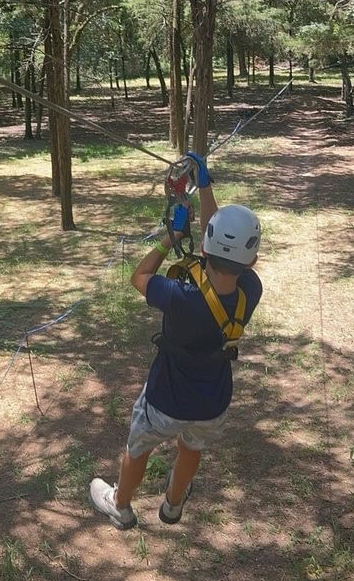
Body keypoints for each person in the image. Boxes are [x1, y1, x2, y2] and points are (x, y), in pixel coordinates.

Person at [89, 152, 263, 529]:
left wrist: (171, 238)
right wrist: (205, 187)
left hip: (165, 397)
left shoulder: (179, 295)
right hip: (212, 401)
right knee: (191, 447)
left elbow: (139, 277)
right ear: (250, 261)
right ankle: (173, 504)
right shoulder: (250, 290)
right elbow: (217, 246)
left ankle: (120, 505)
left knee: (139, 448)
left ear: (206, 248)